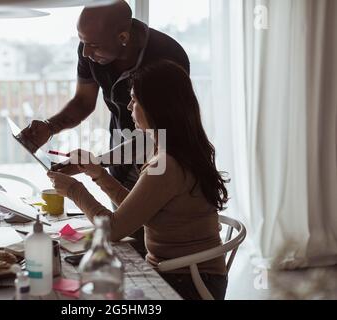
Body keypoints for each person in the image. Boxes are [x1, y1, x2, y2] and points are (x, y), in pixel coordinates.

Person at [46, 60, 230, 300]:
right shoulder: (178, 150)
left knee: (85, 287)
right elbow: (138, 210)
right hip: (189, 274)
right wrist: (99, 174)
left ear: (156, 106)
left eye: (135, 99)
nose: (130, 105)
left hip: (189, 281)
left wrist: (74, 190)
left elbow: (112, 230)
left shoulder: (166, 165)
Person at [19, 0, 190, 257]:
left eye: (93, 45)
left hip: (157, 154)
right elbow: (82, 102)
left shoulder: (166, 57)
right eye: (82, 41)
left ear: (123, 37)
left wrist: (76, 189)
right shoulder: (91, 47)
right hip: (126, 154)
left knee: (143, 245)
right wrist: (50, 128)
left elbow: (164, 130)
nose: (85, 53)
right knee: (126, 247)